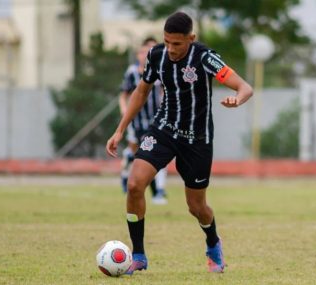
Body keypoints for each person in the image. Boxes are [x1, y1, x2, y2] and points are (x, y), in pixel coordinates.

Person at [106, 11, 253, 274]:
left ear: (191, 38)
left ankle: (213, 242)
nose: (171, 49)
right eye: (167, 42)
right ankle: (138, 255)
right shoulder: (156, 55)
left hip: (197, 139)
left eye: (177, 43)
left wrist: (237, 99)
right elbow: (141, 91)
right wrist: (120, 130)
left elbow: (244, 87)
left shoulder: (204, 57)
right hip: (163, 129)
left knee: (196, 207)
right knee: (135, 184)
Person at [119, 37, 168, 205]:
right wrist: (125, 111)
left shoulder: (161, 70)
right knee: (135, 153)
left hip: (155, 122)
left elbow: (163, 92)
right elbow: (124, 95)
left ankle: (159, 191)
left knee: (157, 155)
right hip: (136, 121)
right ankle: (127, 172)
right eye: (145, 51)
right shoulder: (132, 72)